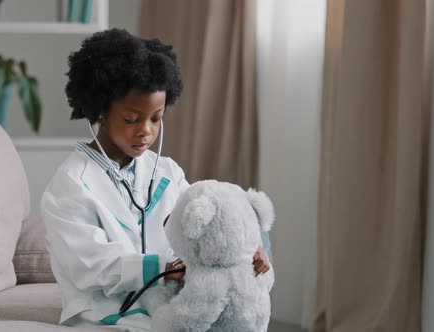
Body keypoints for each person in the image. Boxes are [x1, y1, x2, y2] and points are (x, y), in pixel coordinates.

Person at [41, 28, 270, 331]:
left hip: (168, 299)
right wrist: (161, 268)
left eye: (156, 118)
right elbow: (89, 266)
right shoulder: (70, 185)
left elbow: (205, 232)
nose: (145, 131)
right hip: (104, 309)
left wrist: (247, 251)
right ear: (99, 112)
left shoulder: (167, 173)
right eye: (131, 119)